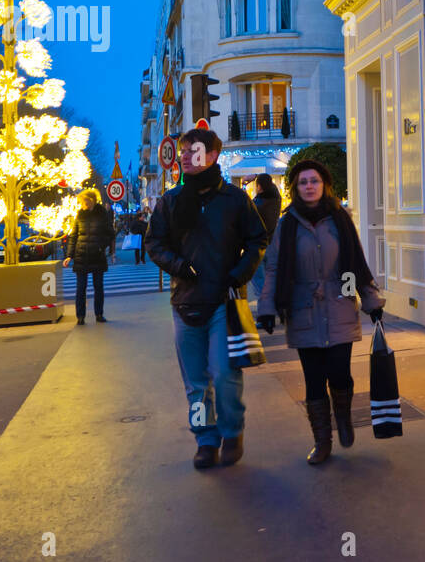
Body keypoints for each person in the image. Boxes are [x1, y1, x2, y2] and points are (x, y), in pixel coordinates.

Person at [146, 128, 268, 469]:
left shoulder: (233, 199)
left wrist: (239, 274)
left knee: (225, 373)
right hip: (184, 303)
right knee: (196, 382)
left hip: (224, 302)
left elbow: (258, 239)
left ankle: (232, 432)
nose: (185, 156)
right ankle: (205, 439)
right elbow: (154, 243)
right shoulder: (170, 201)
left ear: (213, 155)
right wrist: (179, 266)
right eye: (183, 151)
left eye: (193, 150)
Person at [258, 159, 385, 465]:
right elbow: (273, 268)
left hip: (339, 304)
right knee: (314, 379)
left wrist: (369, 300)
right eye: (303, 182)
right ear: (296, 188)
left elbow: (355, 261)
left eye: (314, 180)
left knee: (340, 374)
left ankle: (342, 416)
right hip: (302, 308)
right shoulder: (287, 225)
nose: (309, 186)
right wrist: (267, 307)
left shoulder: (340, 219)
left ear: (324, 184)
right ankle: (322, 440)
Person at [64, 188, 115, 324]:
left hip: (97, 255)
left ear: (91, 200)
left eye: (84, 200)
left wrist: (101, 246)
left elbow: (110, 234)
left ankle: (99, 314)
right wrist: (69, 255)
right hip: (81, 255)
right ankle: (80, 316)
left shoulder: (102, 214)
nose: (82, 203)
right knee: (81, 288)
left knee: (98, 287)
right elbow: (73, 236)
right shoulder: (80, 214)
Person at [249, 174, 282, 305]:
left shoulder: (259, 203)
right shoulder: (276, 199)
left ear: (260, 187)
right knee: (270, 279)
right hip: (272, 243)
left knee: (259, 281)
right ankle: (274, 305)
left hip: (259, 244)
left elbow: (246, 213)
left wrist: (246, 184)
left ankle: (267, 308)